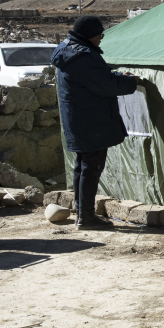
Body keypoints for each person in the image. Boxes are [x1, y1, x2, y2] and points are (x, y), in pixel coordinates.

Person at [51, 15, 138, 229]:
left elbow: (95, 78)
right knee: (91, 167)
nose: (100, 39)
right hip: (92, 121)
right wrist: (130, 82)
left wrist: (117, 75)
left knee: (82, 166)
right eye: (100, 35)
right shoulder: (84, 56)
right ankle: (86, 217)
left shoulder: (68, 50)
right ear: (90, 35)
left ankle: (82, 212)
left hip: (78, 118)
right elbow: (105, 85)